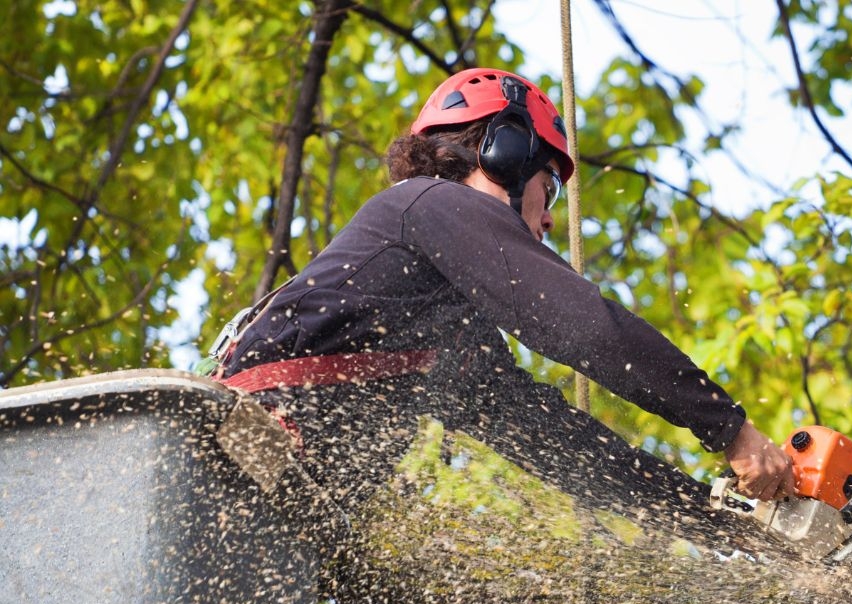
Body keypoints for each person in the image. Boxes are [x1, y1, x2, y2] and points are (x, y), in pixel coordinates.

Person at [214, 67, 795, 507]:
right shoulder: (430, 203)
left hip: (273, 500)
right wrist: (730, 428)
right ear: (505, 154)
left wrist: (712, 515)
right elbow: (585, 327)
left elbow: (555, 443)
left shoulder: (448, 329)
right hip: (234, 454)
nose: (550, 218)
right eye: (550, 187)